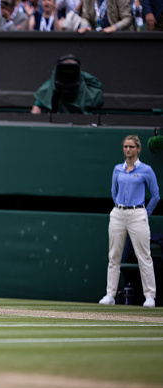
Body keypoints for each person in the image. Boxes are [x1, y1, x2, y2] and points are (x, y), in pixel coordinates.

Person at [99, 135, 159, 308]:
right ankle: (110, 294)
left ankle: (150, 296)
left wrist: (144, 213)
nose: (128, 150)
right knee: (114, 256)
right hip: (118, 213)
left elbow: (155, 195)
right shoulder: (117, 169)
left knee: (144, 256)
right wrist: (119, 207)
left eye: (131, 147)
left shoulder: (146, 170)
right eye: (126, 146)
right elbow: (114, 191)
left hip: (137, 213)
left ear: (138, 149)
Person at [31, 54, 104, 114]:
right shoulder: (50, 86)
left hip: (81, 121)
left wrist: (78, 73)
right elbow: (36, 108)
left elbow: (97, 87)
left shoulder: (85, 88)